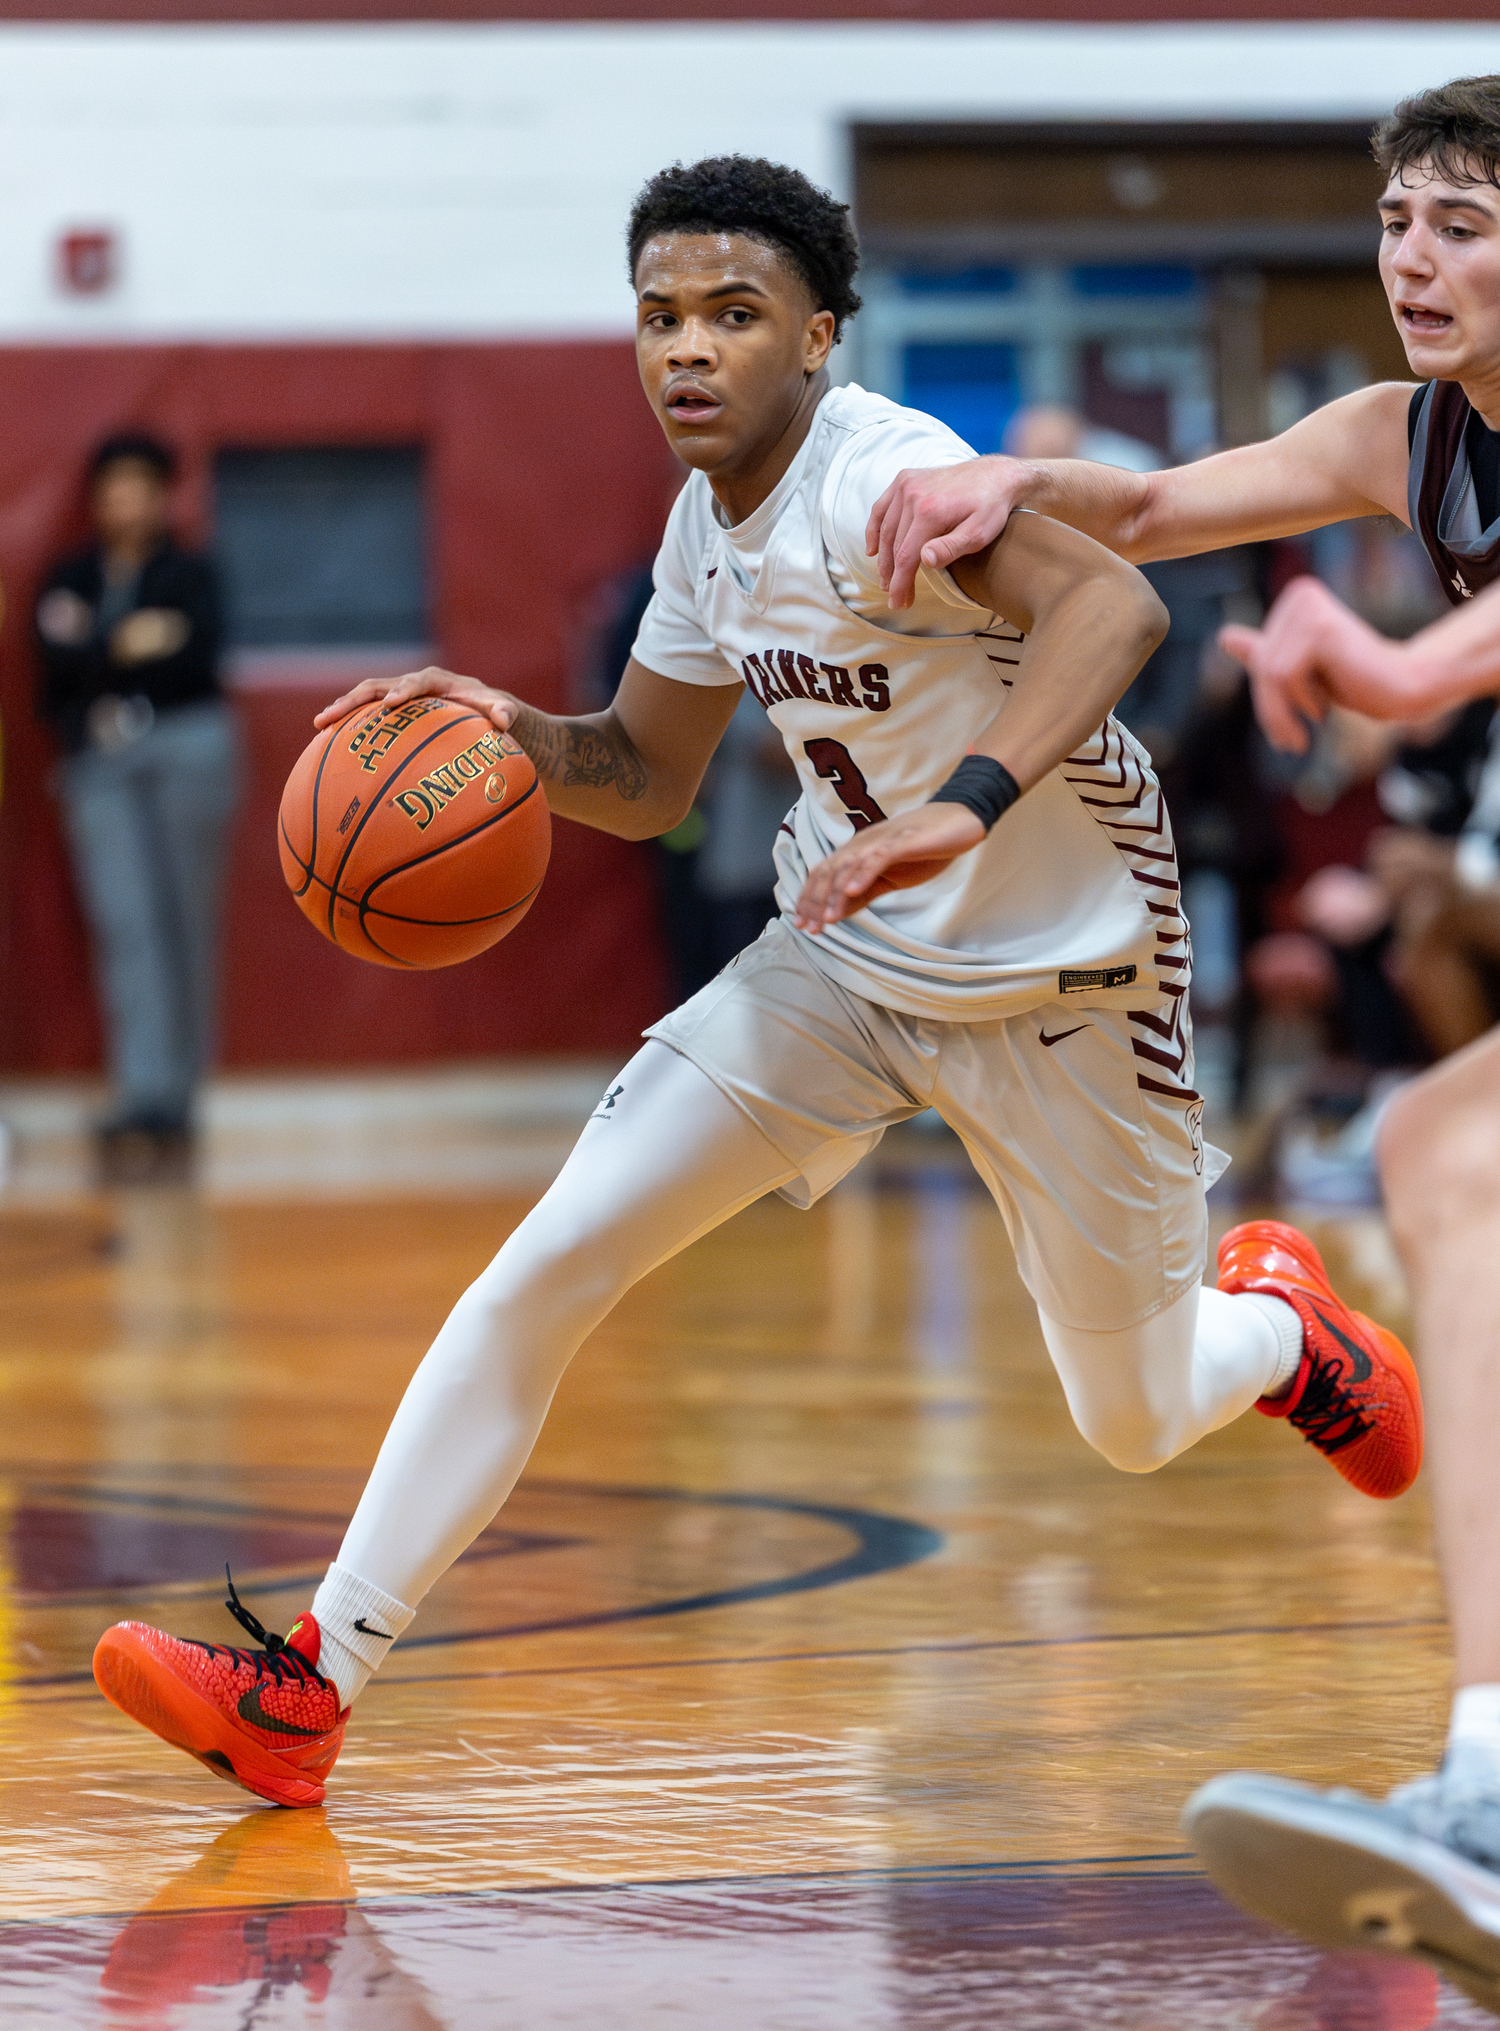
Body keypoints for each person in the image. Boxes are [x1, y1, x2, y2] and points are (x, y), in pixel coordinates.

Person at [88, 157, 1418, 1811]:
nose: (688, 350)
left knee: (1137, 1414)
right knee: (552, 1258)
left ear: (820, 338)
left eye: (733, 314)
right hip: (839, 956)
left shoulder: (885, 479)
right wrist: (510, 732)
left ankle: (1281, 1333)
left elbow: (1118, 607)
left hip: (1060, 976)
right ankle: (310, 1681)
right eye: (659, 317)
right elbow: (644, 774)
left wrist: (962, 806)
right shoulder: (703, 529)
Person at [861, 73, 1500, 2007]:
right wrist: (1002, 487)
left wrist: (1390, 667)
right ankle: (1487, 1778)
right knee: (1439, 1154)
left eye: (1464, 224)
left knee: (1449, 1159)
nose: (1415, 257)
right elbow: (1152, 504)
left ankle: (1487, 1783)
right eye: (1399, 219)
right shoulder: (1412, 436)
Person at [36, 433, 240, 1175]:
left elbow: (199, 653)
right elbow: (53, 675)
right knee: (126, 924)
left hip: (187, 749)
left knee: (188, 920)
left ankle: (183, 1096)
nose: (126, 500)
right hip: (99, 761)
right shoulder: (68, 578)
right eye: (113, 487)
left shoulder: (190, 572)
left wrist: (100, 646)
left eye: (139, 485)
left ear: (162, 494)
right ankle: (143, 1092)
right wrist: (127, 642)